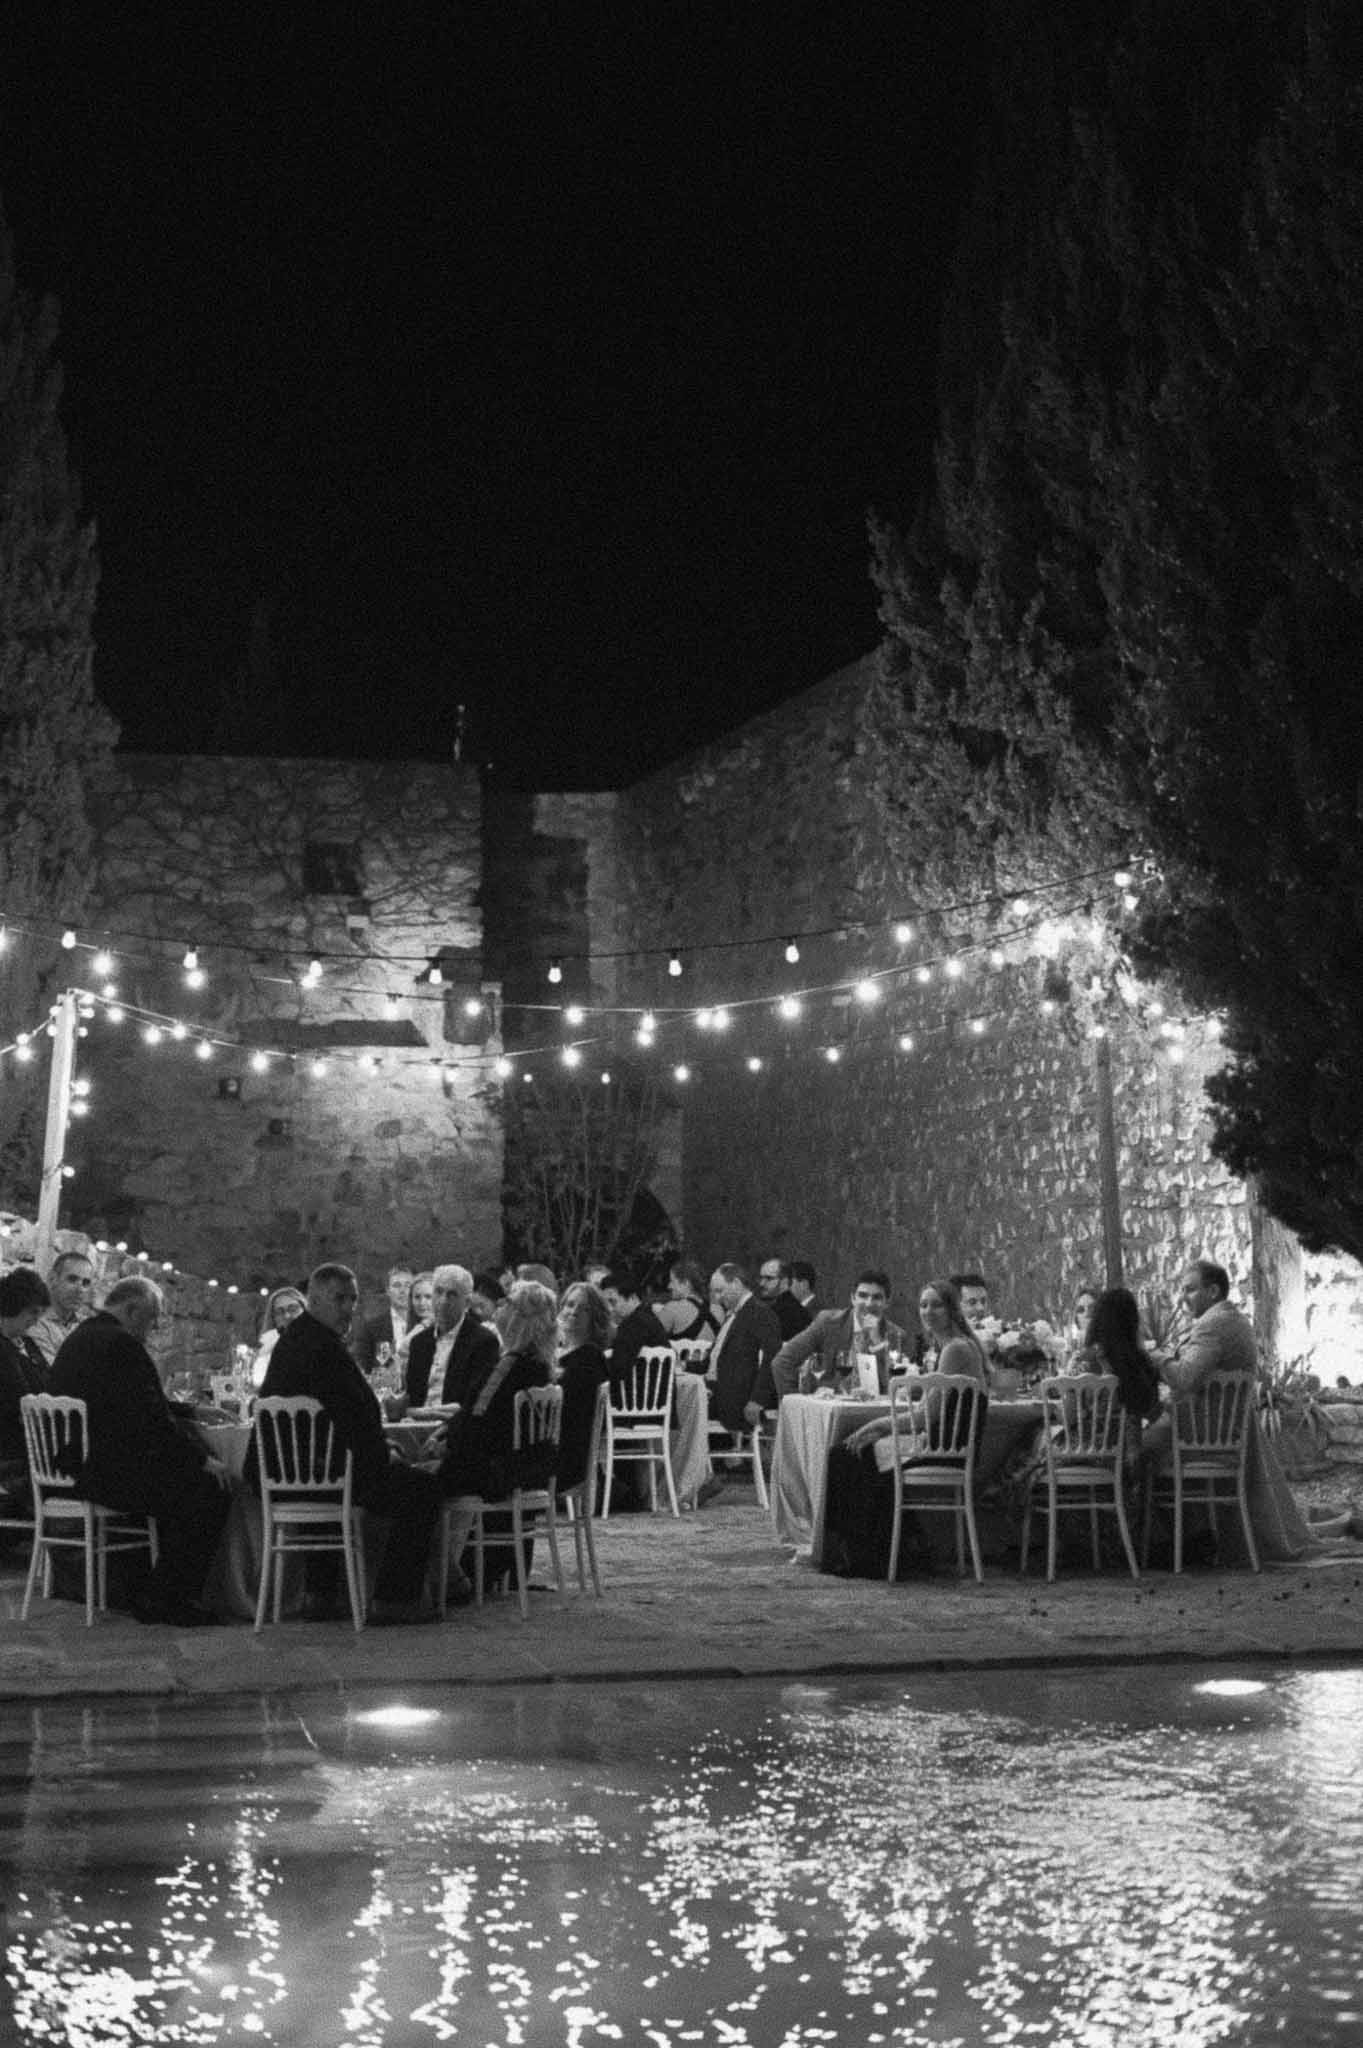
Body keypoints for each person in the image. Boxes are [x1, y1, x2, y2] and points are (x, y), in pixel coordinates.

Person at [257, 1262, 443, 1622]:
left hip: (289, 1476)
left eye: (353, 1299)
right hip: (332, 1476)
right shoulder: (325, 1349)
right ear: (314, 1300)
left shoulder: (294, 1340)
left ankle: (319, 1594)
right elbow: (354, 1416)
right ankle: (395, 1599)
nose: (348, 1308)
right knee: (423, 1488)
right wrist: (383, 1451)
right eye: (339, 1299)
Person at [48, 1276, 232, 1626]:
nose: (152, 1328)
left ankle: (149, 1590)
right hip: (103, 1474)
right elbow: (149, 1420)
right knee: (209, 1492)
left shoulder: (84, 1337)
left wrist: (191, 1412)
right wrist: (202, 1459)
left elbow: (135, 1403)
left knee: (183, 1484)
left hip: (76, 1466)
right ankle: (169, 1599)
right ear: (131, 1310)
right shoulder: (122, 1345)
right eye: (150, 1319)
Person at [822, 1278, 988, 1577]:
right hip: (943, 1444)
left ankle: (869, 1556)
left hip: (942, 1450)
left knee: (845, 1455)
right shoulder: (953, 1346)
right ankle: (880, 1550)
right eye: (923, 1305)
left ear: (952, 1309)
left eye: (936, 1304)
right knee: (850, 1454)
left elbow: (928, 1416)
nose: (928, 1311)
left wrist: (877, 1425)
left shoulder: (955, 1349)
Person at [438, 1279, 558, 1586]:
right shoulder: (540, 1365)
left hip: (494, 1472)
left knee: (418, 1481)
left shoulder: (509, 1364)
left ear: (520, 1317)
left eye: (507, 1303)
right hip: (523, 1467)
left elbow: (478, 1420)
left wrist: (445, 1440)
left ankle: (443, 1574)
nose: (499, 1308)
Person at [767, 1269, 909, 1406]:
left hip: (874, 1415)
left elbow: (897, 1387)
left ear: (887, 1302)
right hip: (831, 1408)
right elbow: (782, 1362)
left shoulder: (897, 1336)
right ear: (853, 1298)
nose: (869, 1303)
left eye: (877, 1297)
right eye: (863, 1296)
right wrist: (796, 1406)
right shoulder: (828, 1323)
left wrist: (877, 1341)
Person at [399, 1264, 500, 1412]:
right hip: (416, 1425)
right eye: (438, 1292)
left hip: (458, 1429)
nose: (443, 1301)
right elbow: (412, 1398)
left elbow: (473, 1404)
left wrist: (426, 1414)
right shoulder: (419, 1342)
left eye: (452, 1295)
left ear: (467, 1303)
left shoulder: (483, 1342)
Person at [0, 1267, 52, 1515]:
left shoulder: (27, 1344)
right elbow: (18, 1398)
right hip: (12, 1444)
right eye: (33, 1312)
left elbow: (48, 1381)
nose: (36, 1319)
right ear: (14, 1305)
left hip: (34, 1436)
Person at [708, 1264, 782, 1434]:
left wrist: (757, 1400)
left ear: (736, 1282)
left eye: (720, 1291)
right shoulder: (734, 1314)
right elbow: (716, 1357)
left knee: (680, 1410)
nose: (717, 1298)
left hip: (736, 1400)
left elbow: (773, 1358)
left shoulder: (760, 1313)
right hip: (715, 1391)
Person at [554, 1280, 611, 1498]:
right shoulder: (556, 1353)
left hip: (567, 1457)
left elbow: (570, 1414)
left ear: (594, 1317)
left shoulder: (589, 1357)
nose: (574, 1312)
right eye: (569, 1304)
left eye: (584, 1308)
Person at [1075, 1288, 1162, 1421]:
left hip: (1089, 1439)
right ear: (1133, 1321)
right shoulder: (1142, 1362)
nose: (1087, 1314)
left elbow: (1070, 1413)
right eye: (1081, 1310)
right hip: (1132, 1440)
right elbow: (1152, 1411)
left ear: (1098, 1318)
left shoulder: (1085, 1359)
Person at [601, 1269, 670, 1386]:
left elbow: (619, 1368)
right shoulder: (648, 1317)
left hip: (639, 1398)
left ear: (632, 1298)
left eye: (613, 1302)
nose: (610, 1309)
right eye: (606, 1303)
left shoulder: (634, 1324)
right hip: (658, 1398)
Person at [28, 1251, 97, 1367]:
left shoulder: (88, 1325)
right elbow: (56, 1374)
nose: (79, 1289)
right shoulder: (33, 1322)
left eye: (85, 1283)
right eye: (72, 1279)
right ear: (52, 1279)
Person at [352, 1263, 415, 1376]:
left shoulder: (425, 1324)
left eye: (408, 1285)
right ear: (388, 1291)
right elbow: (361, 1366)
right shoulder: (371, 1328)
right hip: (384, 1390)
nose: (403, 1291)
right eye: (397, 1285)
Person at [653, 1258, 717, 1349]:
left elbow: (649, 1341)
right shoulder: (718, 1309)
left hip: (683, 1362)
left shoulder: (672, 1309)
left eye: (672, 1281)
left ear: (686, 1283)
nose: (669, 1286)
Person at [251, 1285, 306, 1384]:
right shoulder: (269, 1347)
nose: (287, 1316)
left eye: (293, 1309)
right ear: (274, 1319)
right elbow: (258, 1383)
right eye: (280, 1312)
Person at [757, 1259, 811, 1343]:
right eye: (761, 1278)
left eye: (768, 1278)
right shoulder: (796, 1309)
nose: (761, 1283)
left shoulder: (789, 1312)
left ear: (784, 1281)